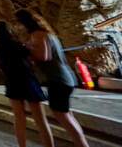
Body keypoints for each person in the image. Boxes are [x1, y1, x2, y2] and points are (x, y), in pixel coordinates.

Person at [16, 9, 89, 147]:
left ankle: (82, 144)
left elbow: (44, 56)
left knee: (63, 116)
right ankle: (81, 144)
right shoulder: (47, 34)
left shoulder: (38, 35)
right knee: (67, 115)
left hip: (58, 80)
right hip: (63, 78)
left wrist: (26, 50)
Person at [0, 21, 53, 147]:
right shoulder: (18, 45)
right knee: (40, 120)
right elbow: (32, 56)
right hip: (27, 80)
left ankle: (22, 145)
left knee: (19, 119)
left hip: (12, 81)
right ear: (10, 31)